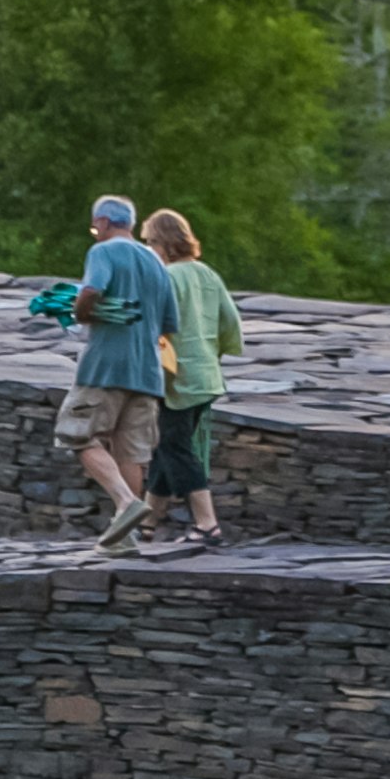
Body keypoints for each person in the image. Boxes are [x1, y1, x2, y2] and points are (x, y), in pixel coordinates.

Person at [55, 195, 179, 552]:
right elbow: (170, 323)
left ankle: (126, 502)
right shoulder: (156, 262)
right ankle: (123, 539)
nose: (95, 233)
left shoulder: (104, 252)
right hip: (147, 373)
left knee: (75, 432)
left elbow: (92, 290)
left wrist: (82, 313)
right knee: (131, 453)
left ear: (106, 223)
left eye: (95, 227)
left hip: (105, 366)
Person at [139, 207, 246, 547]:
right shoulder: (207, 274)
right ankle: (145, 522)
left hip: (177, 379)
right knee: (166, 447)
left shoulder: (166, 278)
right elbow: (230, 323)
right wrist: (212, 354)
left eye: (150, 242)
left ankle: (207, 524)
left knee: (176, 447)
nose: (147, 249)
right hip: (205, 376)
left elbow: (154, 327)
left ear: (163, 243)